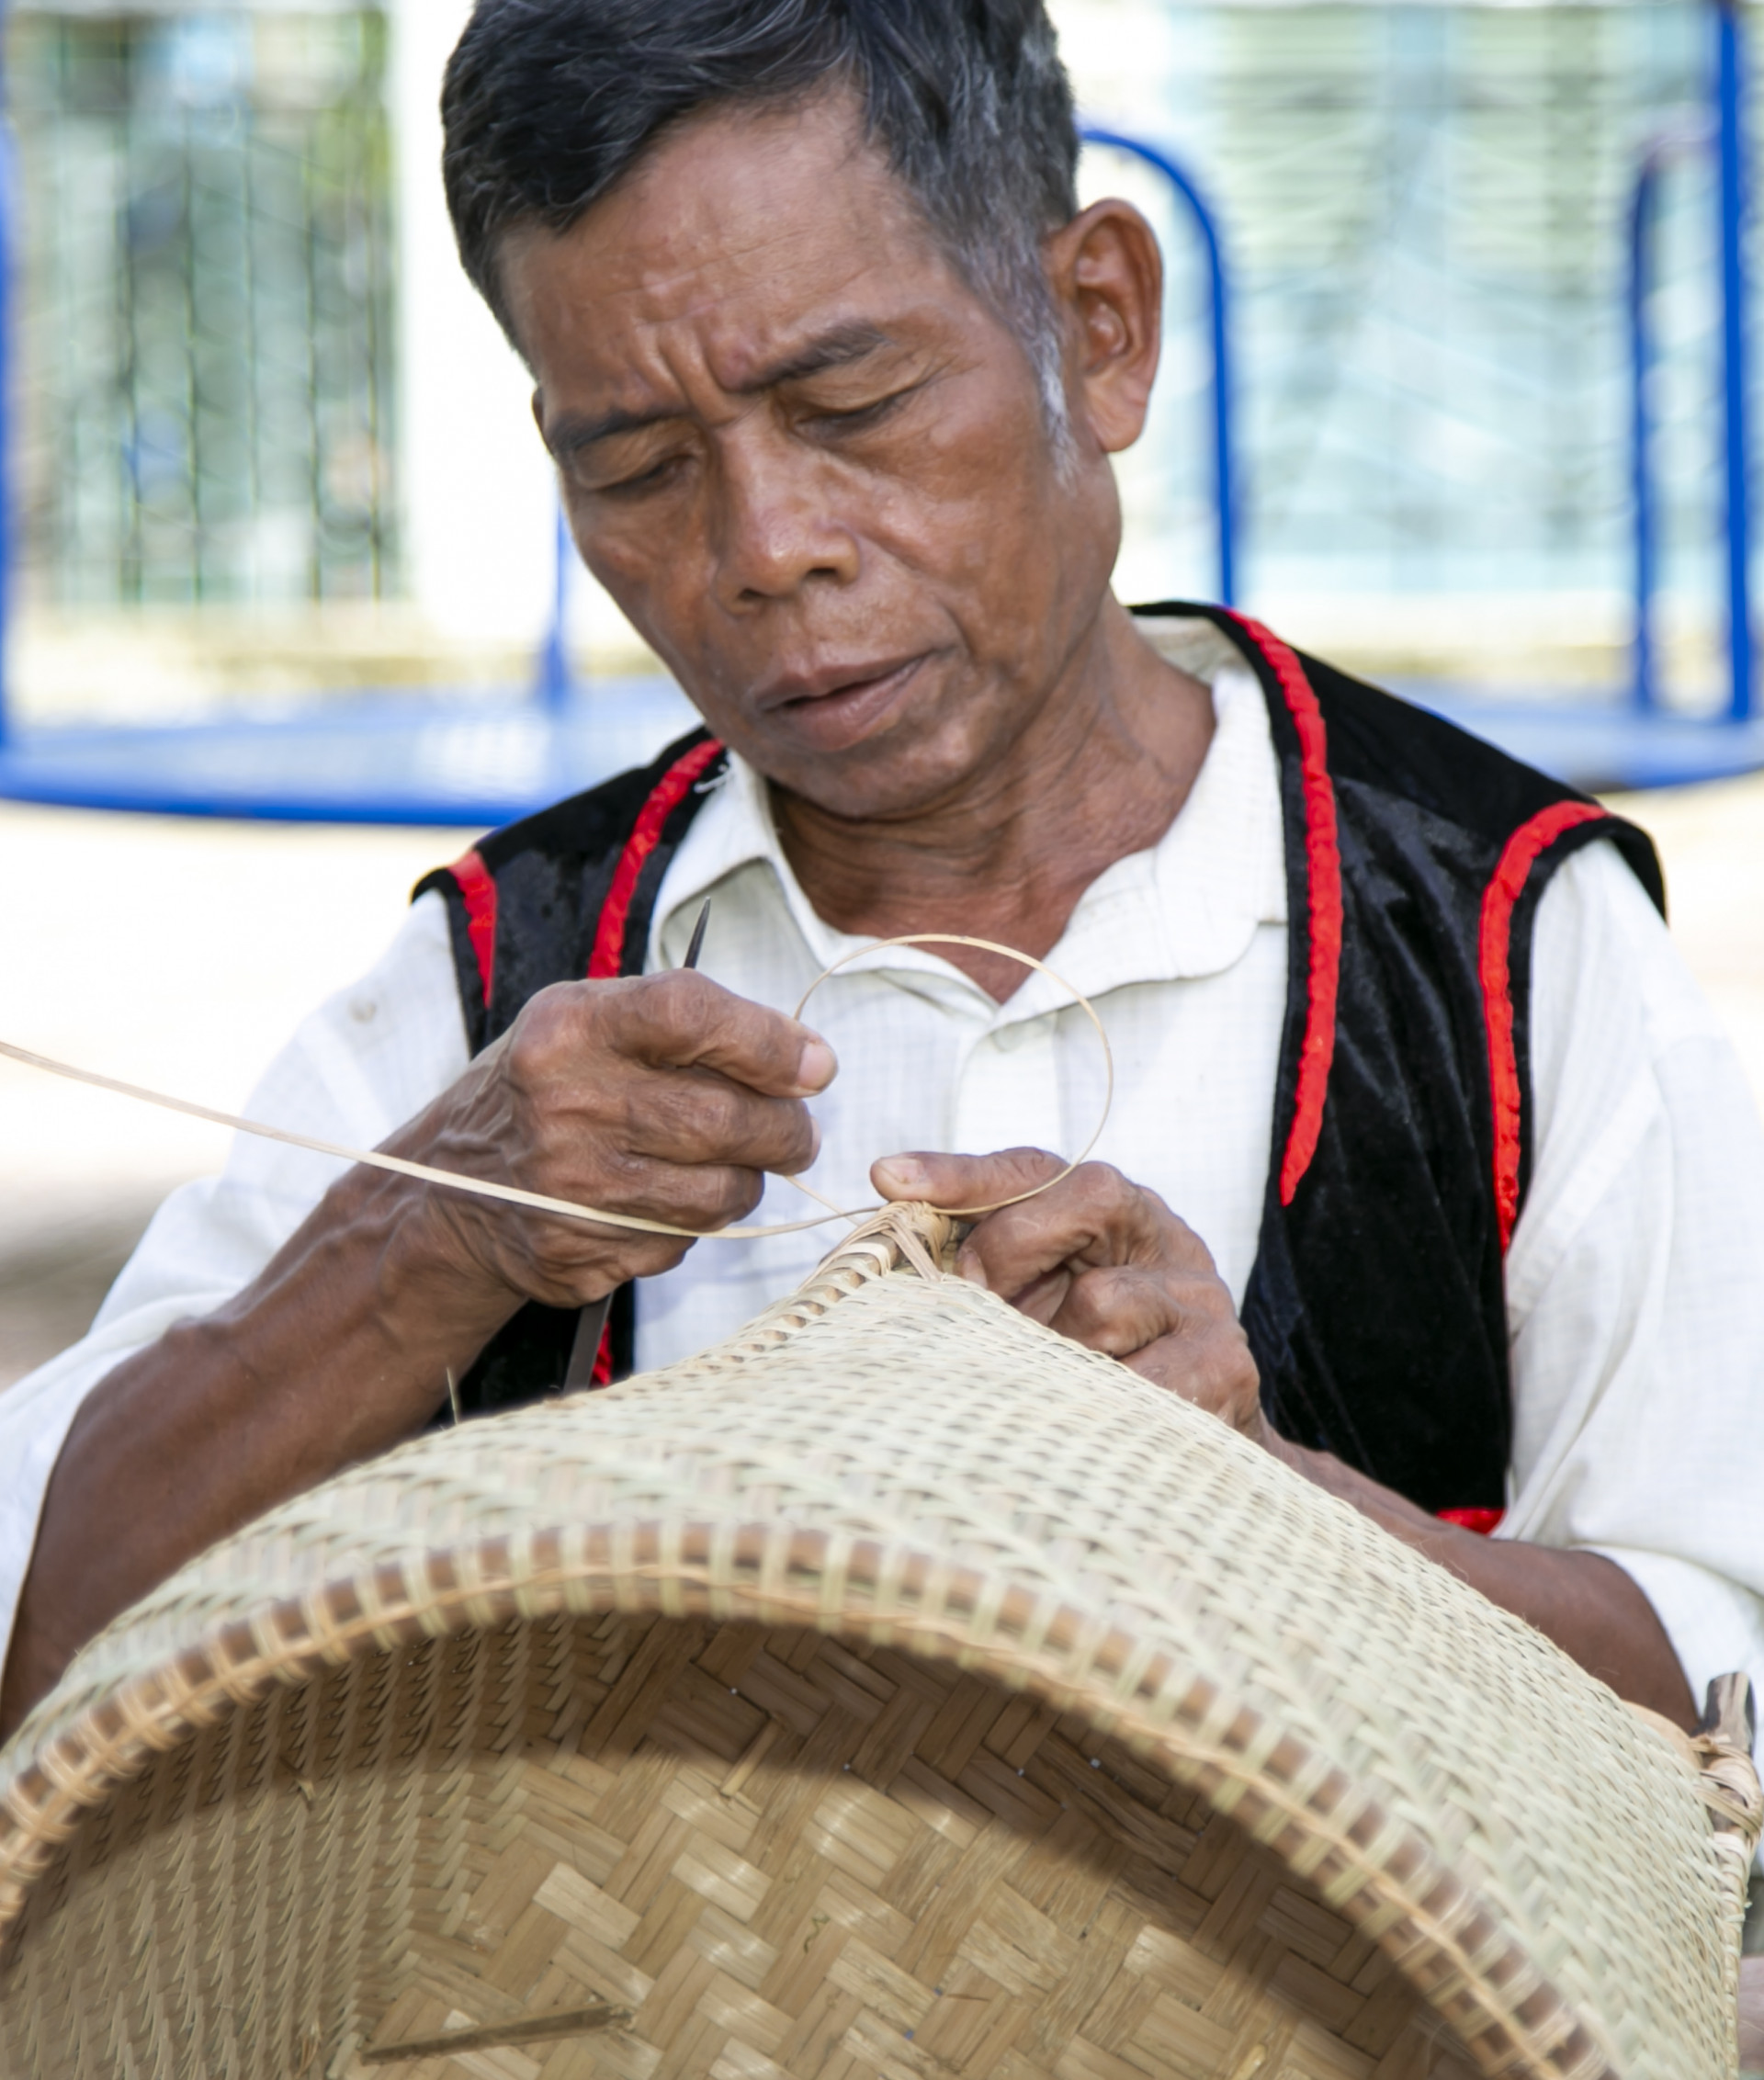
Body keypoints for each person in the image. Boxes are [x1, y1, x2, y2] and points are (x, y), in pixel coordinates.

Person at [3, 0, 1762, 1747]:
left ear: (1100, 330)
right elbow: (40, 1661)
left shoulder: (1494, 940)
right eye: (638, 465)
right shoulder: (495, 998)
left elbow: (1719, 1690)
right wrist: (423, 1232)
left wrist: (1273, 1509)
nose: (766, 548)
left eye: (850, 402)